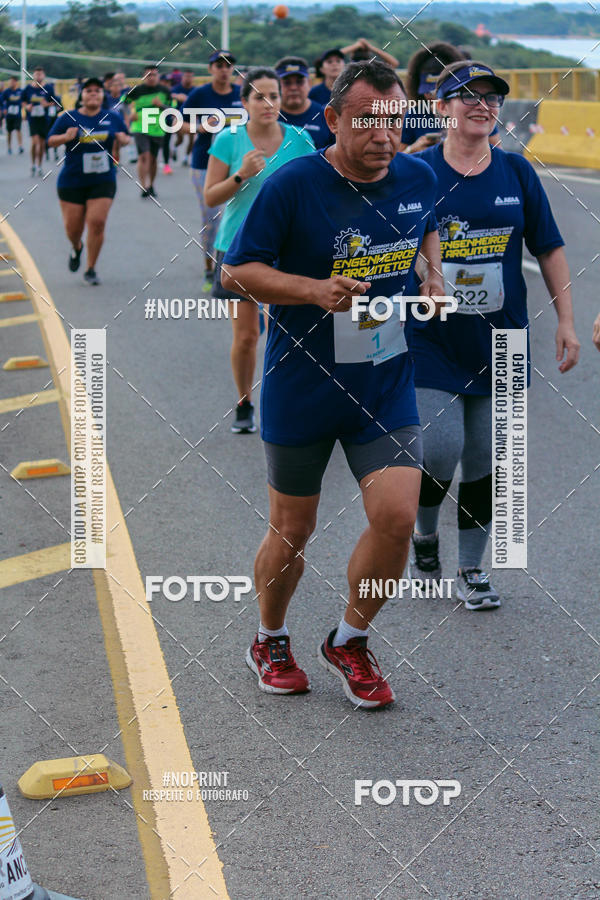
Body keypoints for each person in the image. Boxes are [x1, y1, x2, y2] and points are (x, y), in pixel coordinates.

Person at [221, 60, 443, 707]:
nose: (384, 135)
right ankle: (269, 636)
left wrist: (431, 274)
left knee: (398, 517)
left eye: (395, 122)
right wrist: (313, 291)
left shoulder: (418, 175)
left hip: (384, 382)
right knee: (294, 526)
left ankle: (349, 640)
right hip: (302, 383)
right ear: (333, 120)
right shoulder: (293, 186)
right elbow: (238, 272)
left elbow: (425, 222)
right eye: (368, 121)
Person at [408, 60, 580, 608]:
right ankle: (424, 534)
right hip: (431, 337)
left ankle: (471, 569)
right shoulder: (418, 172)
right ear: (442, 107)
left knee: (486, 458)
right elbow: (393, 244)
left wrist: (567, 321)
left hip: (502, 338)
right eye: (468, 96)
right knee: (439, 450)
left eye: (491, 98)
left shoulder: (516, 172)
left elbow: (548, 247)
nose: (482, 105)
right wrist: (424, 274)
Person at [204, 67, 315, 435]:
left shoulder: (299, 139)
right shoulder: (229, 140)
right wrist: (241, 176)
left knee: (291, 333)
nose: (269, 104)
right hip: (239, 246)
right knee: (248, 335)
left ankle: (292, 402)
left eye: (275, 96)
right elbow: (210, 195)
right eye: (260, 97)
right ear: (244, 102)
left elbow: (316, 187)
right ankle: (244, 401)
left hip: (289, 247)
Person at [48, 77, 130, 285]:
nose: (93, 93)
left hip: (103, 179)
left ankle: (91, 268)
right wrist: (65, 137)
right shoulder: (68, 117)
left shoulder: (112, 116)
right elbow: (50, 140)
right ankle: (77, 248)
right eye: (88, 91)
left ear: (102, 95)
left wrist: (123, 139)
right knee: (73, 230)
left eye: (97, 91)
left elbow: (126, 136)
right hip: (72, 181)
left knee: (97, 223)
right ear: (81, 96)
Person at [182, 50, 242, 289]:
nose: (224, 69)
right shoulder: (200, 95)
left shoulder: (241, 94)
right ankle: (210, 266)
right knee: (212, 218)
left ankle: (233, 264)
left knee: (238, 215)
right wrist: (200, 127)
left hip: (237, 163)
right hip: (204, 164)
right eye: (219, 65)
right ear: (210, 69)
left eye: (228, 65)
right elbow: (177, 125)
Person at [401, 44, 501, 153]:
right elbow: (396, 162)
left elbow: (497, 154)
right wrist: (412, 151)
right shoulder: (414, 115)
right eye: (426, 91)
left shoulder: (477, 117)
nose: (430, 96)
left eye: (436, 92)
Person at [123, 65, 171, 198]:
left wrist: (160, 105)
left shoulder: (164, 91)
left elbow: (172, 109)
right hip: (140, 127)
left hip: (157, 128)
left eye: (154, 75)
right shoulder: (136, 91)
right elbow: (123, 103)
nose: (151, 77)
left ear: (158, 76)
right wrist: (130, 115)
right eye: (148, 75)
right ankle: (143, 186)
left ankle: (151, 185)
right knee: (144, 155)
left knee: (153, 158)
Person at [275, 57, 333, 148]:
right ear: (276, 85)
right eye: (287, 83)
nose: (293, 88)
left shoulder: (324, 117)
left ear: (309, 83)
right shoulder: (268, 116)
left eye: (299, 82)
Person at [22, 66, 60, 176]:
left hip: (44, 119)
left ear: (44, 75)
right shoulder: (28, 89)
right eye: (36, 74)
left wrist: (46, 104)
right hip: (33, 119)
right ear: (33, 75)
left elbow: (55, 103)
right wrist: (27, 106)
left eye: (41, 74)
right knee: (35, 143)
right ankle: (33, 164)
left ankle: (39, 166)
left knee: (42, 144)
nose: (38, 76)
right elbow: (23, 101)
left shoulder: (48, 88)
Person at [170, 69, 195, 167]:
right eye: (186, 76)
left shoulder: (194, 90)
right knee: (180, 138)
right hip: (179, 116)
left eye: (190, 76)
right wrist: (176, 96)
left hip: (191, 116)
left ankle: (186, 157)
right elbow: (170, 96)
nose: (188, 78)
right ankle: (175, 148)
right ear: (182, 77)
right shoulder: (176, 88)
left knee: (192, 139)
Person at [2, 75, 24, 155]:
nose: (11, 83)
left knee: (18, 130)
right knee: (9, 131)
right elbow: (2, 101)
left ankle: (20, 146)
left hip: (17, 114)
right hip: (9, 115)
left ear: (16, 82)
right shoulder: (6, 92)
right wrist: (4, 108)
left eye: (12, 82)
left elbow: (24, 101)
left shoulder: (20, 91)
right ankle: (9, 147)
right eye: (10, 82)